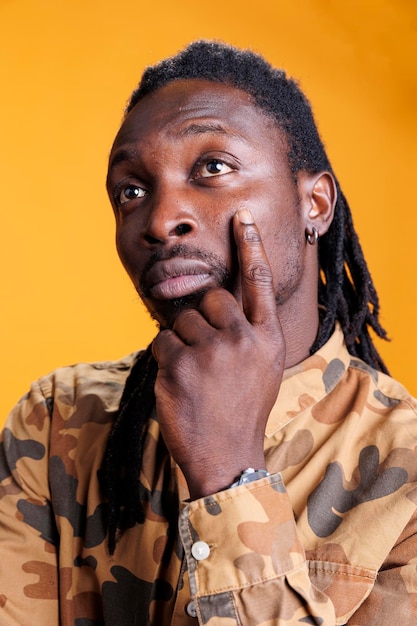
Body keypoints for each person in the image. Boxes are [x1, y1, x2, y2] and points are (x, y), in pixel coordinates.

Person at [0, 40, 416, 626]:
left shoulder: (409, 471)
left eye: (213, 167)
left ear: (315, 203)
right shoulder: (55, 423)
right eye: (132, 191)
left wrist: (229, 477)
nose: (162, 219)